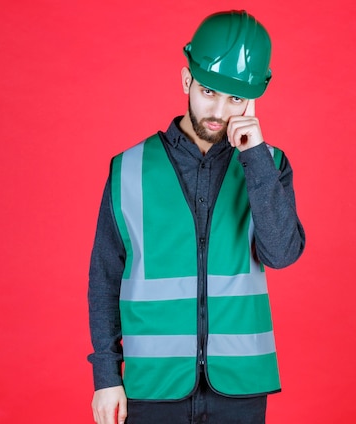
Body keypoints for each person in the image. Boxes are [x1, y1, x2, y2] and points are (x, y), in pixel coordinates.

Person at [88, 10, 305, 424]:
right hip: (152, 386)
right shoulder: (128, 168)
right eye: (209, 91)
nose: (220, 111)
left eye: (235, 98)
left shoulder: (268, 165)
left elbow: (280, 253)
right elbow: (104, 276)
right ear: (187, 81)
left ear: (252, 99)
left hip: (240, 388)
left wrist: (255, 158)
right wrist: (105, 375)